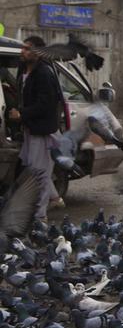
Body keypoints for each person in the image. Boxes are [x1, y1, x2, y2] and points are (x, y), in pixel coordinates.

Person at [8, 36, 63, 219]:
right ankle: (55, 198)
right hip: (31, 129)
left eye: (27, 49)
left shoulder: (44, 73)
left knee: (39, 174)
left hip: (43, 132)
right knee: (35, 169)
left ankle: (40, 217)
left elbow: (45, 104)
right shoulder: (23, 69)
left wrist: (21, 114)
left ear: (38, 53)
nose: (23, 51)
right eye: (23, 48)